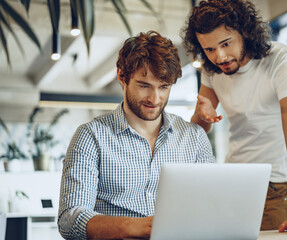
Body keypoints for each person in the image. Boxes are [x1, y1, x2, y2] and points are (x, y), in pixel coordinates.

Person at [57, 31, 215, 240]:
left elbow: (212, 206)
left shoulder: (194, 138)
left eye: (164, 87)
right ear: (122, 76)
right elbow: (69, 220)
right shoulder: (90, 136)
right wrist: (134, 226)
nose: (155, 98)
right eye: (144, 85)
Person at [182, 0, 287, 234]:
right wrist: (203, 116)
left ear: (244, 31)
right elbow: (198, 129)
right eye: (210, 49)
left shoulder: (281, 59)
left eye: (225, 44)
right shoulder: (211, 68)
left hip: (276, 184)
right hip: (233, 181)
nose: (220, 56)